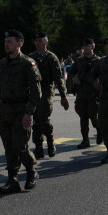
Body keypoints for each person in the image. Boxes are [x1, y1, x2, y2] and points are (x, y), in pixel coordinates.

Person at [0, 30, 42, 194]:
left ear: (19, 44)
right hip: (6, 110)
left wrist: (29, 112)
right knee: (8, 146)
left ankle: (31, 171)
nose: (6, 44)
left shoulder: (28, 63)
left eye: (10, 42)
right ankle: (12, 180)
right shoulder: (1, 64)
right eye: (5, 41)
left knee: (20, 146)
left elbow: (37, 93)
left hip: (22, 111)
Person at [29, 31, 70, 159]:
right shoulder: (30, 57)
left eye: (41, 41)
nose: (38, 43)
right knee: (35, 119)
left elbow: (58, 78)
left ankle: (50, 141)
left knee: (43, 117)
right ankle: (39, 147)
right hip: (34, 91)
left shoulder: (51, 57)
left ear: (47, 42)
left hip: (46, 89)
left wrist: (63, 96)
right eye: (36, 41)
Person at [69, 38, 101, 148]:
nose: (85, 48)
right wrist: (74, 78)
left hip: (93, 93)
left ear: (93, 47)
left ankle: (100, 130)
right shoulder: (79, 60)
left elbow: (103, 75)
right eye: (84, 46)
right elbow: (71, 73)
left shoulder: (99, 61)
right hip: (82, 92)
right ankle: (85, 140)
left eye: (88, 46)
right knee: (83, 117)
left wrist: (98, 83)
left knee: (93, 116)